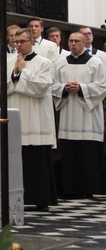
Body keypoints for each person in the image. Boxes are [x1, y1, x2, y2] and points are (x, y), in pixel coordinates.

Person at [0, 28, 57, 210]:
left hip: (36, 118)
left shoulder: (44, 62)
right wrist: (14, 73)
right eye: (16, 41)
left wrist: (22, 73)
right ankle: (15, 197)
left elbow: (41, 88)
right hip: (15, 114)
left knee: (36, 159)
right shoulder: (8, 61)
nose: (19, 45)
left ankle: (40, 198)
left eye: (22, 41)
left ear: (32, 42)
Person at [52, 32, 106, 198]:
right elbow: (52, 85)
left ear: (84, 43)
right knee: (69, 151)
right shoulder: (60, 63)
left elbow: (102, 86)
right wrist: (64, 88)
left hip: (88, 115)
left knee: (87, 152)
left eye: (77, 41)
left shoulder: (96, 63)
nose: (73, 44)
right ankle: (70, 188)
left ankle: (89, 188)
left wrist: (81, 88)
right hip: (69, 113)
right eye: (71, 41)